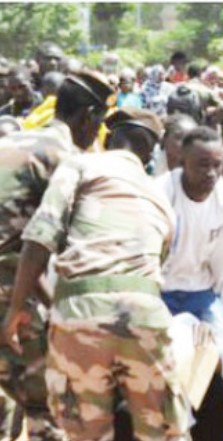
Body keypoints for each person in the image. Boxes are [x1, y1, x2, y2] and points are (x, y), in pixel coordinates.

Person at [2, 107, 188, 441]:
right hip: (143, 310)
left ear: (108, 137)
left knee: (86, 433)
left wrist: (16, 310)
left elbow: (39, 238)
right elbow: (154, 264)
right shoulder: (160, 197)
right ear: (151, 151)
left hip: (79, 314)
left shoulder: (81, 164)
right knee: (164, 432)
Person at [0, 70, 114, 441]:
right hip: (6, 280)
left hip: (11, 272)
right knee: (47, 397)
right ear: (88, 117)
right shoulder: (67, 161)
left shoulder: (19, 138)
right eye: (100, 123)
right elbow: (50, 250)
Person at [158, 126, 223, 440]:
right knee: (160, 367)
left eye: (218, 165)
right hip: (158, 294)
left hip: (201, 294)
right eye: (202, 164)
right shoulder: (159, 193)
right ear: (181, 162)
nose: (212, 173)